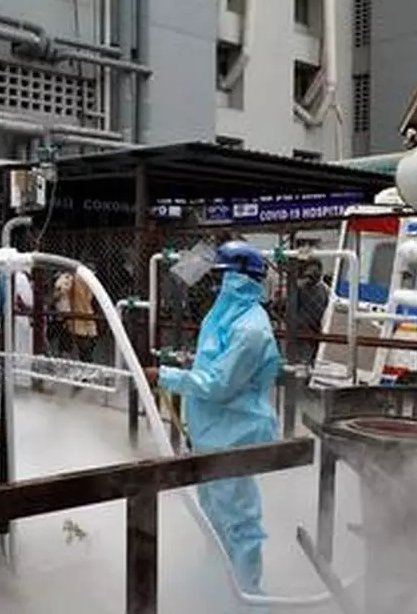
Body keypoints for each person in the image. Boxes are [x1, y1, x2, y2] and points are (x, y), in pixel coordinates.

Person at [143, 240, 280, 594]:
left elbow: (219, 384)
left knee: (239, 521)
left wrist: (167, 376)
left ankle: (248, 595)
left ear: (239, 279)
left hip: (236, 433)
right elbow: (211, 365)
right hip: (214, 432)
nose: (215, 286)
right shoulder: (225, 315)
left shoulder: (250, 329)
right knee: (214, 514)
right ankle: (219, 586)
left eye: (221, 278)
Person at [294, 257, 330, 367]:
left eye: (316, 271)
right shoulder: (298, 287)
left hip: (313, 332)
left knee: (307, 363)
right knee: (300, 363)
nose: (314, 274)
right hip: (299, 332)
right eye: (310, 272)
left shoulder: (324, 290)